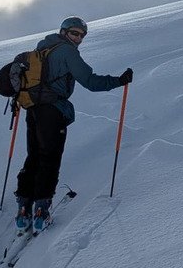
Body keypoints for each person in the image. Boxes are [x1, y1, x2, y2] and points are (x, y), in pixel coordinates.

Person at [14, 16, 133, 232]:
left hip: (33, 109)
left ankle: (24, 206)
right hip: (53, 111)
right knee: (50, 158)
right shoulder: (67, 52)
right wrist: (118, 81)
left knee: (35, 156)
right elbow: (89, 81)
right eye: (74, 33)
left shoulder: (43, 48)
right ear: (64, 32)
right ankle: (41, 209)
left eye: (82, 35)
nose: (78, 38)